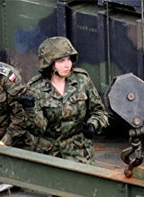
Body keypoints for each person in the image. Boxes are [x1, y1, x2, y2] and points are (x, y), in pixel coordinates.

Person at [23, 36, 108, 164]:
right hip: (49, 154)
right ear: (49, 64)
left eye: (69, 59)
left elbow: (100, 112)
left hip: (79, 152)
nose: (67, 65)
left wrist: (93, 125)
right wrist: (30, 110)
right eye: (61, 61)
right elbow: (38, 129)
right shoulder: (35, 88)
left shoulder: (82, 80)